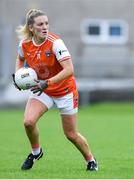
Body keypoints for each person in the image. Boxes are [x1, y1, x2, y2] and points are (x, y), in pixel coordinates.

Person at [12, 9, 98, 171]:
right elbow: (20, 58)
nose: (45, 27)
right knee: (28, 122)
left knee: (71, 134)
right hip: (43, 90)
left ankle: (91, 160)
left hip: (65, 91)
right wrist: (18, 76)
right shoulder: (24, 44)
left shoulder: (55, 42)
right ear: (31, 28)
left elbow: (69, 69)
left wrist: (47, 82)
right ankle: (36, 152)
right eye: (40, 24)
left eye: (46, 23)